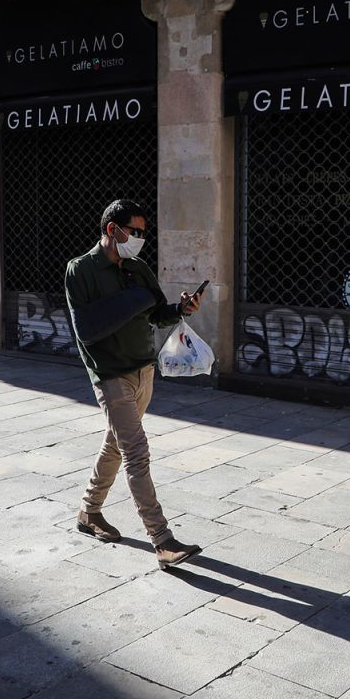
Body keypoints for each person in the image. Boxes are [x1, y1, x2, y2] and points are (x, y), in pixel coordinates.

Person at [64, 199, 203, 568]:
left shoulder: (138, 268)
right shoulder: (80, 271)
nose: (140, 238)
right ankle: (162, 540)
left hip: (144, 371)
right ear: (112, 229)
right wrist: (137, 298)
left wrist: (180, 309)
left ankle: (89, 512)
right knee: (136, 453)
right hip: (111, 376)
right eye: (134, 231)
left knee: (116, 444)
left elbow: (157, 314)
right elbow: (88, 330)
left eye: (143, 232)